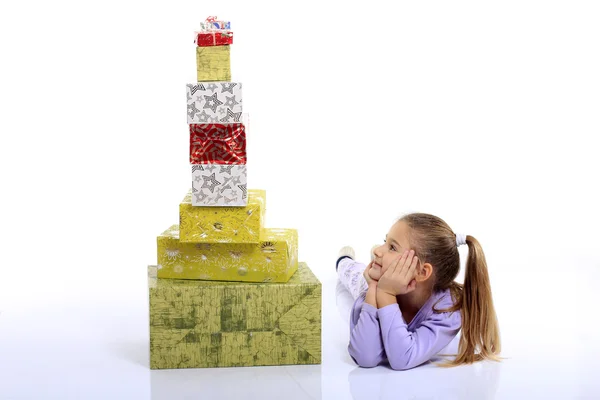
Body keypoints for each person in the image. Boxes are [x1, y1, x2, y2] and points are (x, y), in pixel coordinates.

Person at [336, 213, 501, 370]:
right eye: (385, 242)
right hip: (377, 285)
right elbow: (365, 357)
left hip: (386, 287)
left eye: (392, 247)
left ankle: (380, 265)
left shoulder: (449, 310)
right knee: (354, 277)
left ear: (422, 272)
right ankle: (344, 261)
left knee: (370, 274)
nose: (377, 250)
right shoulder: (374, 287)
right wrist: (373, 285)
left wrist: (386, 293)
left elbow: (402, 358)